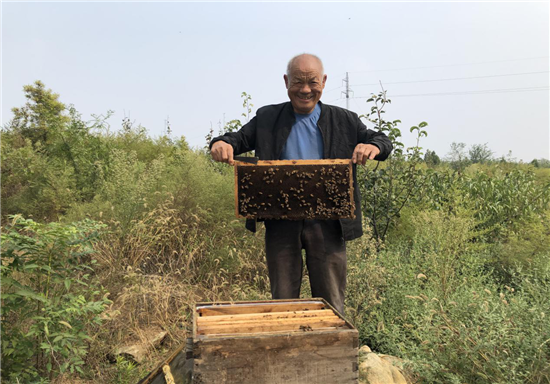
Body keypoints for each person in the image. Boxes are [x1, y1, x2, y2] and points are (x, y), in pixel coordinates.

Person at [210, 54, 392, 314]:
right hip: (281, 221)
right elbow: (236, 139)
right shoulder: (267, 117)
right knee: (283, 301)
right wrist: (221, 143)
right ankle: (288, 349)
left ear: (324, 82)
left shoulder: (345, 120)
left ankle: (330, 351)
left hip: (329, 223)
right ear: (286, 82)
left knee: (331, 303)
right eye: (298, 82)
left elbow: (383, 141)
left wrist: (372, 145)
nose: (305, 90)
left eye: (312, 82)